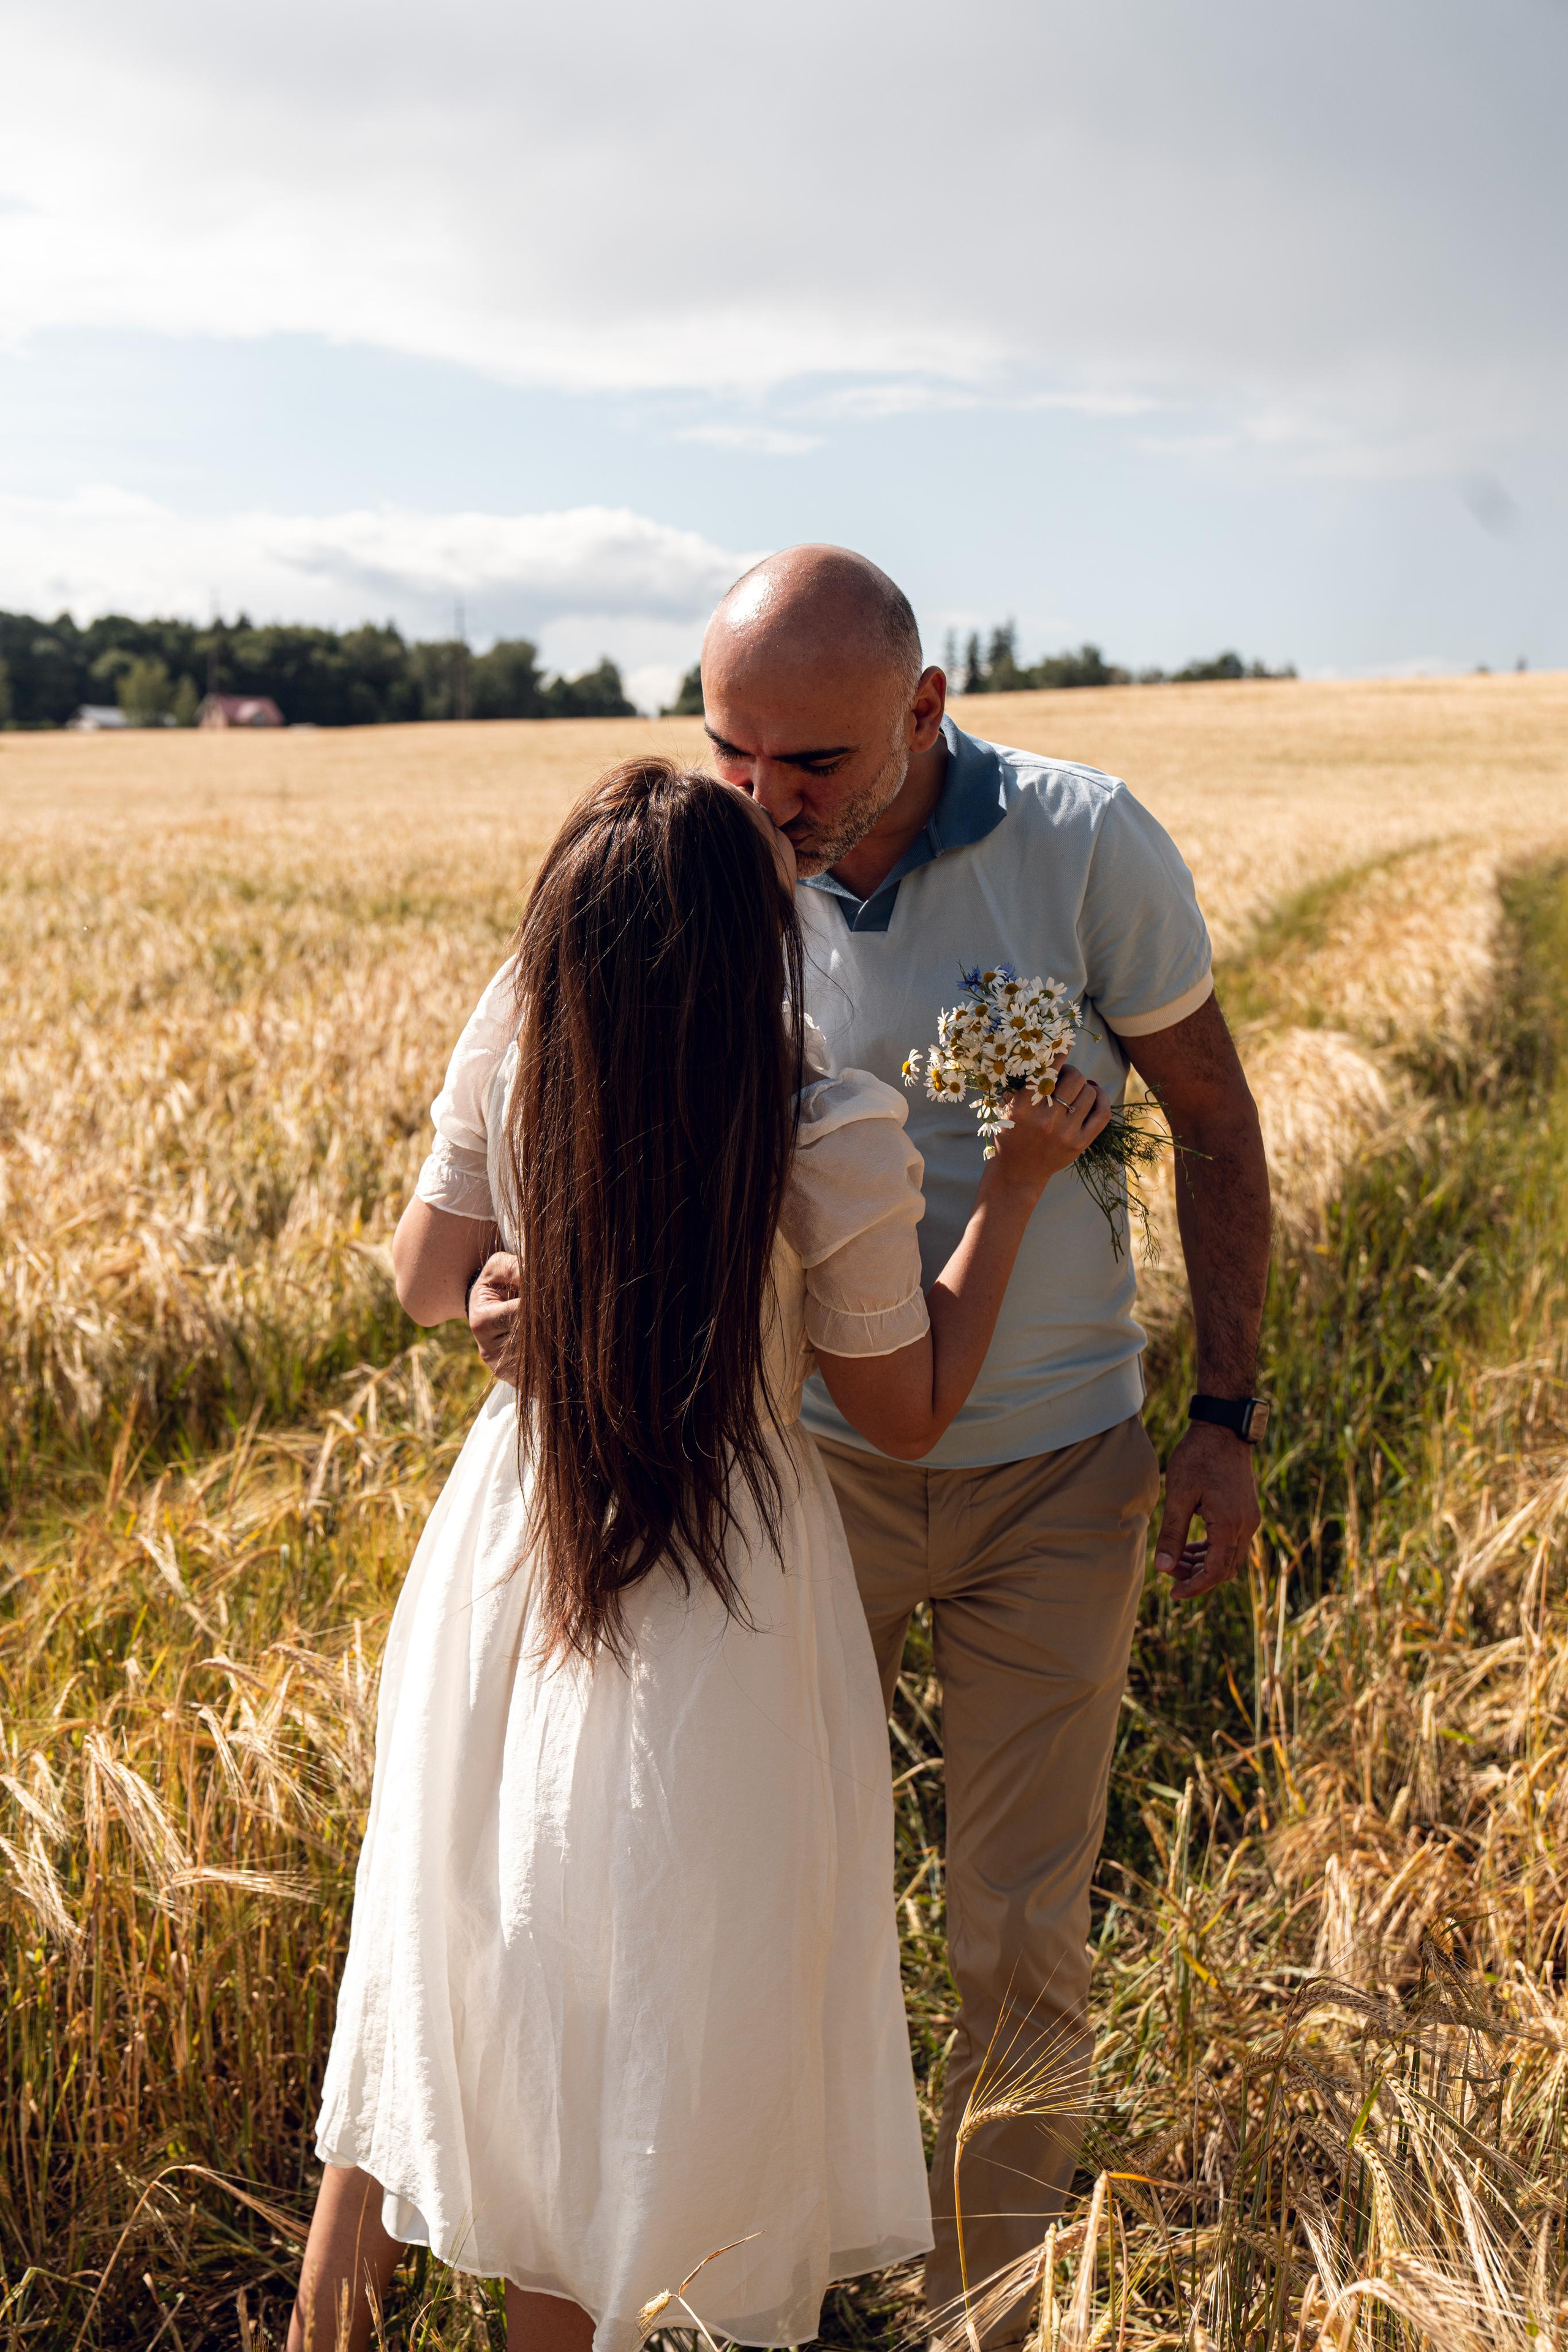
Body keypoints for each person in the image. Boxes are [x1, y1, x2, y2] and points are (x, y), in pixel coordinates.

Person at [468, 549, 1273, 2350]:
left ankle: (982, 2314)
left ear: (926, 709)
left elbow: (1216, 1121)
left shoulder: (1087, 846)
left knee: (1018, 1927)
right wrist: (520, 1289)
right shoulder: (703, 873)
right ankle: (741, 2289)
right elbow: (590, 1128)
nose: (768, 801)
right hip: (793, 1486)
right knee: (762, 1908)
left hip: (1058, 1472)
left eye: (812, 764)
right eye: (732, 751)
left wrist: (1225, 1414)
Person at [292, 756, 1115, 2352]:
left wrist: (488, 1301)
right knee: (672, 2012)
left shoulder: (519, 1042)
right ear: (759, 944)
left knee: (445, 1973)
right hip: (719, 1607)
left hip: (515, 1558)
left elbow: (420, 1277)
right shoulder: (818, 1125)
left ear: (564, 934)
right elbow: (915, 1405)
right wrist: (1010, 1193)